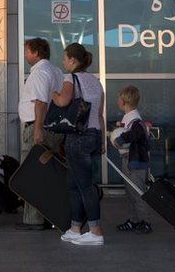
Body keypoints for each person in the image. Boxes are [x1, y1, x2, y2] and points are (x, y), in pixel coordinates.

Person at [51, 43, 105, 246]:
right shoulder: (95, 82)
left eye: (65, 58)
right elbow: (99, 114)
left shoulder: (70, 78)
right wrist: (100, 140)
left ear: (73, 60)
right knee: (73, 185)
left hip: (78, 138)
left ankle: (95, 230)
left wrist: (52, 94)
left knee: (84, 186)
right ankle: (75, 228)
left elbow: (63, 102)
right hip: (93, 135)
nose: (63, 62)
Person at [16, 38, 64, 230]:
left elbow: (41, 102)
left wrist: (37, 129)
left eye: (27, 51)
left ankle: (32, 220)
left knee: (32, 174)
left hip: (38, 127)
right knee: (46, 175)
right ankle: (46, 216)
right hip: (52, 127)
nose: (25, 55)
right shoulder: (56, 71)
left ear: (35, 53)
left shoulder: (39, 73)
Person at [112, 85, 152, 234]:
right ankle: (135, 220)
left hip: (135, 162)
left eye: (119, 98)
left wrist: (121, 139)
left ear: (124, 101)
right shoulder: (129, 118)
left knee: (137, 191)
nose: (117, 101)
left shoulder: (135, 119)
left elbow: (136, 133)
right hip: (129, 160)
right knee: (131, 192)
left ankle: (145, 221)